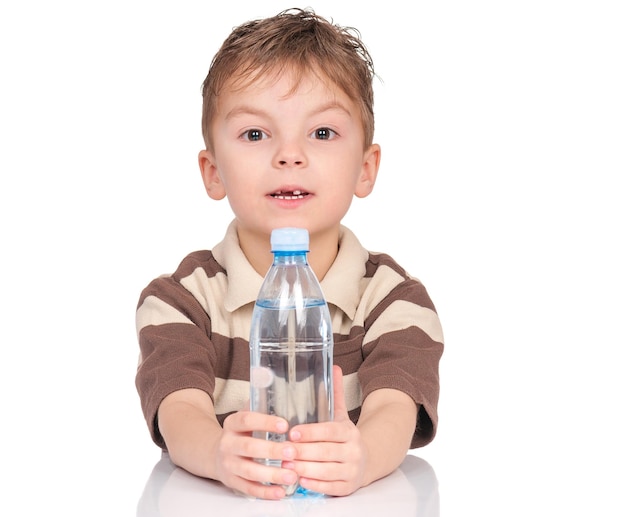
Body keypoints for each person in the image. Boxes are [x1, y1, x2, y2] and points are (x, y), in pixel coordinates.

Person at [135, 8, 444, 500]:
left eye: (322, 133)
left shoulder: (394, 300)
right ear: (213, 171)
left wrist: (361, 458)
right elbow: (179, 412)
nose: (289, 155)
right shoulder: (180, 300)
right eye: (255, 134)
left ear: (366, 168)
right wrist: (218, 452)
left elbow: (394, 410)